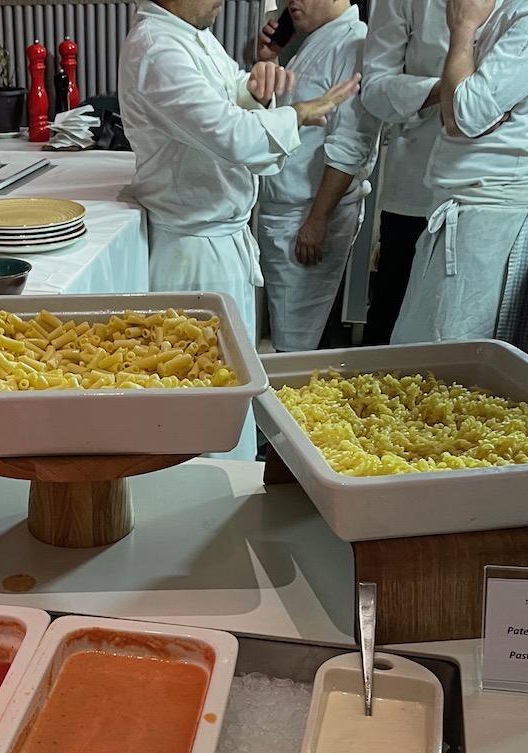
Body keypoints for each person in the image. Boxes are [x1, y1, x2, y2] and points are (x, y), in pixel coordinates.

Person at [119, 0, 359, 455]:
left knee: (226, 389)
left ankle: (224, 487)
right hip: (192, 251)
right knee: (199, 400)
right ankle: (200, 503)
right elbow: (234, 136)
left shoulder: (191, 35)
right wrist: (299, 113)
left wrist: (254, 86)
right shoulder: (158, 49)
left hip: (215, 240)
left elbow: (228, 91)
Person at [390, 0, 528, 346]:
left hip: (493, 216)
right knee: (422, 361)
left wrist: (463, 29)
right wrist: (462, 99)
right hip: (475, 207)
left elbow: (464, 113)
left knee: (447, 374)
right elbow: (461, 105)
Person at [253, 0, 380, 353]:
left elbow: (352, 142)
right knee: (288, 331)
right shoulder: (316, 39)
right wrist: (268, 60)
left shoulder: (354, 43)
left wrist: (318, 220)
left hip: (309, 213)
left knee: (297, 342)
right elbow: (283, 118)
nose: (292, 2)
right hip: (287, 208)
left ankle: (295, 406)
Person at [358, 0, 449, 345]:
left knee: (457, 330)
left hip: (496, 191)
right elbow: (375, 89)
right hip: (415, 191)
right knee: (390, 317)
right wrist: (446, 91)